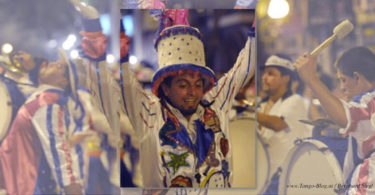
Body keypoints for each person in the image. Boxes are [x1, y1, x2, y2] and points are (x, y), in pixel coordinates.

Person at [120, 11, 255, 187]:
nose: (192, 92)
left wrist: (256, 27)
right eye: (183, 85)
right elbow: (126, 88)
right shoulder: (151, 115)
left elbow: (244, 68)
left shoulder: (216, 104)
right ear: (166, 88)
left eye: (198, 84)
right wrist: (122, 58)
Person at [294, 47, 375, 194]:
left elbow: (344, 117)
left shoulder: (369, 101)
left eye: (343, 80)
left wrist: (311, 79)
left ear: (357, 78)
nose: (342, 87)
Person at [256, 54, 311, 180]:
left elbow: (278, 124)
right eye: (264, 73)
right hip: (262, 176)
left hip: (284, 177)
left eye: (271, 74)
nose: (264, 78)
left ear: (285, 78)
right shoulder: (261, 104)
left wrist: (249, 113)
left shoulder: (295, 101)